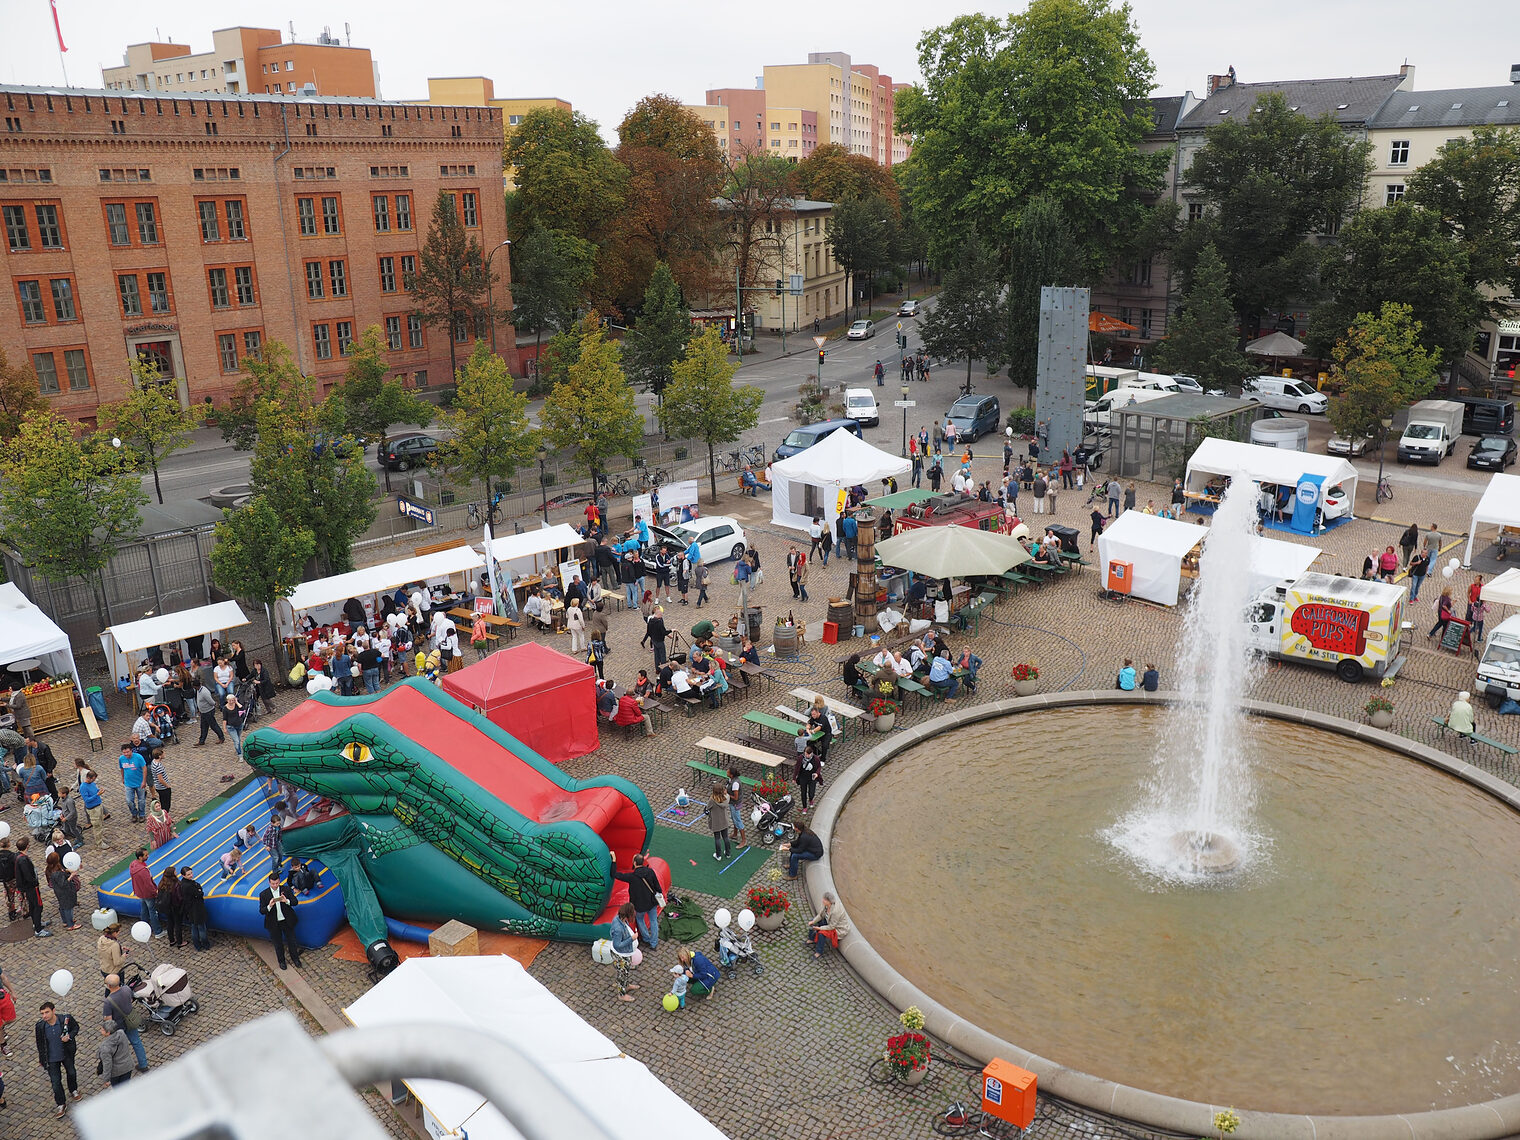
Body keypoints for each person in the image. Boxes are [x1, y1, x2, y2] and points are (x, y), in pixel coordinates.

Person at [35, 1001, 82, 1116]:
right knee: (55, 1082)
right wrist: (42, 1059)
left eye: (47, 1012)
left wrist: (69, 1036)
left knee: (71, 1072)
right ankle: (61, 1103)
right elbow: (40, 1044)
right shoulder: (40, 1026)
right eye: (42, 1013)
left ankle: (73, 1089)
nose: (44, 1016)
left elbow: (76, 1028)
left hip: (66, 1053)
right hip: (51, 1058)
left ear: (54, 1011)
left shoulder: (65, 1019)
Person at [612, 853, 662, 949]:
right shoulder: (650, 872)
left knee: (640, 919)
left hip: (640, 905)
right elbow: (657, 887)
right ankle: (654, 943)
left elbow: (615, 874)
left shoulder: (632, 876)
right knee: (653, 921)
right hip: (652, 902)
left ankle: (646, 938)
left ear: (634, 863)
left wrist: (614, 861)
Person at [102, 974, 147, 1072]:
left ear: (109, 986)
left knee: (118, 1049)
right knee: (137, 1043)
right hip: (130, 1021)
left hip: (118, 1028)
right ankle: (143, 1065)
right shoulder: (126, 989)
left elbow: (108, 1020)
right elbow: (130, 1000)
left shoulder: (108, 1002)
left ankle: (121, 1069)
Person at [259, 871, 303, 970]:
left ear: (279, 881)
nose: (275, 885)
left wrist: (286, 901)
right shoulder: (264, 894)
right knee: (278, 944)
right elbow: (262, 911)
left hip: (286, 920)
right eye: (273, 883)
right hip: (273, 923)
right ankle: (281, 961)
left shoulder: (286, 889)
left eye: (277, 883)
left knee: (292, 941)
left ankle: (295, 959)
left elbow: (295, 902)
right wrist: (269, 906)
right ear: (269, 883)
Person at [14, 836, 46, 937]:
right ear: (27, 846)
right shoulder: (23, 860)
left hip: (27, 886)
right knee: (38, 906)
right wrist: (34, 882)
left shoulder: (18, 856)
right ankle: (38, 929)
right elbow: (28, 876)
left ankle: (36, 922)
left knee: (32, 905)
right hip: (31, 887)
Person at [806, 891, 852, 959]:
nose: (823, 900)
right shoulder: (826, 906)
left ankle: (819, 952)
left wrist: (820, 928)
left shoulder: (835, 911)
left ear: (829, 901)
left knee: (822, 934)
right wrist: (813, 921)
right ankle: (812, 938)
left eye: (825, 900)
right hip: (829, 922)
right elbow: (821, 915)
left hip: (837, 928)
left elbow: (831, 926)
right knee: (815, 923)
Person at [609, 901, 640, 1002]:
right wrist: (632, 938)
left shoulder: (620, 919)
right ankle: (621, 994)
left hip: (625, 953)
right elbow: (617, 945)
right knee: (622, 975)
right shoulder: (618, 928)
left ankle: (626, 986)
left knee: (625, 973)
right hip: (621, 955)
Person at [128, 848, 161, 936]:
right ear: (140, 857)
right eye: (146, 855)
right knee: (152, 911)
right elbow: (148, 884)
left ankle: (143, 928)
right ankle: (157, 931)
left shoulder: (133, 865)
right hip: (147, 893)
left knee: (144, 910)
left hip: (140, 892)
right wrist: (155, 892)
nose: (148, 856)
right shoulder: (143, 870)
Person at [97, 1019, 136, 1087]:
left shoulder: (105, 1047)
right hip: (127, 1066)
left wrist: (106, 1079)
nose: (100, 1030)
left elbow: (107, 1064)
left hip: (116, 1072)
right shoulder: (121, 1033)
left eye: (102, 1029)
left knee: (118, 1091)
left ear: (108, 1032)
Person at [46, 850, 79, 930]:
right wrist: (71, 876)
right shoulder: (56, 873)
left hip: (59, 891)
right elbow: (63, 883)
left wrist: (67, 871)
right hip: (64, 892)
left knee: (62, 906)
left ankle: (65, 921)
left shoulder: (52, 869)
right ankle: (70, 924)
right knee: (68, 907)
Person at [179, 866, 210, 951]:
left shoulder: (183, 884)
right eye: (189, 874)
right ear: (183, 875)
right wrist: (199, 890)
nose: (191, 875)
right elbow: (199, 894)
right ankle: (205, 944)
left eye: (191, 873)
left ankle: (197, 945)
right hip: (196, 908)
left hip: (189, 909)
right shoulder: (189, 885)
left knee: (194, 927)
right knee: (201, 928)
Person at [117, 743, 147, 823]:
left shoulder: (139, 757)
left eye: (127, 752)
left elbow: (144, 768)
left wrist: (144, 781)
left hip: (139, 783)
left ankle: (142, 814)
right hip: (128, 783)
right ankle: (134, 813)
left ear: (131, 751)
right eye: (124, 752)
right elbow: (122, 769)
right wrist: (123, 778)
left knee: (141, 800)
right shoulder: (121, 759)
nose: (126, 754)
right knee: (129, 800)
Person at [705, 783, 732, 861]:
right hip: (724, 820)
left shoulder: (712, 800)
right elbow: (727, 797)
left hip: (716, 822)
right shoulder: (726, 798)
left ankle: (718, 855)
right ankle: (728, 853)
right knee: (725, 837)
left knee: (717, 838)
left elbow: (708, 807)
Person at [194, 680, 224, 747]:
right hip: (203, 712)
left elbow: (211, 701)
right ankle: (201, 741)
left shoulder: (204, 692)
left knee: (213, 725)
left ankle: (221, 737)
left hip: (208, 711)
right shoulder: (198, 691)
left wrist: (215, 704)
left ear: (196, 686)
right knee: (203, 726)